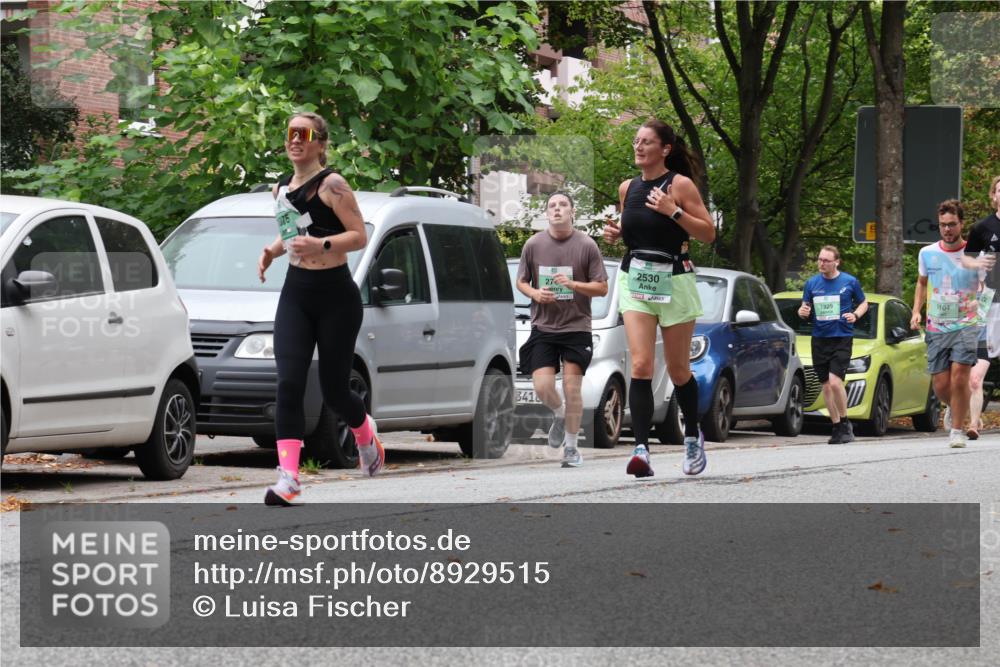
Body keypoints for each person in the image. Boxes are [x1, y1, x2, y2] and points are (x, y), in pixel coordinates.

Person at [257, 111, 383, 506]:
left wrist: (322, 246)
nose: (294, 140)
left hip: (336, 297)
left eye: (303, 134)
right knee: (289, 382)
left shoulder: (333, 185)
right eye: (289, 133)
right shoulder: (280, 188)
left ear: (320, 143)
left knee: (334, 389)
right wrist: (273, 251)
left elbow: (360, 236)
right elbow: (291, 231)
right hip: (296, 293)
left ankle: (364, 433)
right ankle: (289, 477)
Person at [602, 119, 715, 478]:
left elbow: (709, 233)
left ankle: (693, 439)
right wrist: (616, 234)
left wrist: (674, 211)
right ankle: (641, 451)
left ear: (665, 149)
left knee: (680, 370)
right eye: (636, 141)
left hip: (676, 281)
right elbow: (635, 233)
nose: (638, 147)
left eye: (647, 142)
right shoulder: (627, 188)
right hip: (636, 279)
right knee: (640, 366)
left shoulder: (679, 185)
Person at [516, 192, 608, 468]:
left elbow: (602, 287)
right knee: (543, 386)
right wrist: (535, 293)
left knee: (572, 388)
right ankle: (559, 413)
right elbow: (521, 281)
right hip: (544, 326)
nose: (557, 209)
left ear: (572, 212)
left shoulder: (586, 245)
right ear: (547, 214)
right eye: (552, 206)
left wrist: (573, 285)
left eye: (562, 205)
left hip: (577, 327)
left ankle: (571, 448)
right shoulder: (533, 244)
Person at [911, 199, 990, 449]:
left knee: (959, 377)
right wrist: (916, 311)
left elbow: (990, 288)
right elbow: (922, 283)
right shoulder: (927, 253)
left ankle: (957, 431)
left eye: (952, 224)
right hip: (936, 326)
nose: (947, 229)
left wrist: (981, 307)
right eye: (943, 225)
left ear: (961, 224)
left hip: (966, 324)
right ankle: (953, 405)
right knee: (941, 385)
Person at [797, 246, 868, 444]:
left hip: (842, 337)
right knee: (826, 386)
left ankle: (845, 423)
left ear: (837, 262)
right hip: (820, 338)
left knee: (835, 381)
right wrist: (801, 312)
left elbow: (864, 303)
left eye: (826, 260)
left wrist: (855, 315)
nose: (822, 263)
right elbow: (805, 309)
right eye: (820, 259)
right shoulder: (811, 284)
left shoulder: (849, 282)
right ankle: (836, 426)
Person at [965, 175, 1000, 439]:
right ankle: (974, 423)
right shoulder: (982, 228)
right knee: (975, 375)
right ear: (993, 196)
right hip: (990, 304)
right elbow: (965, 261)